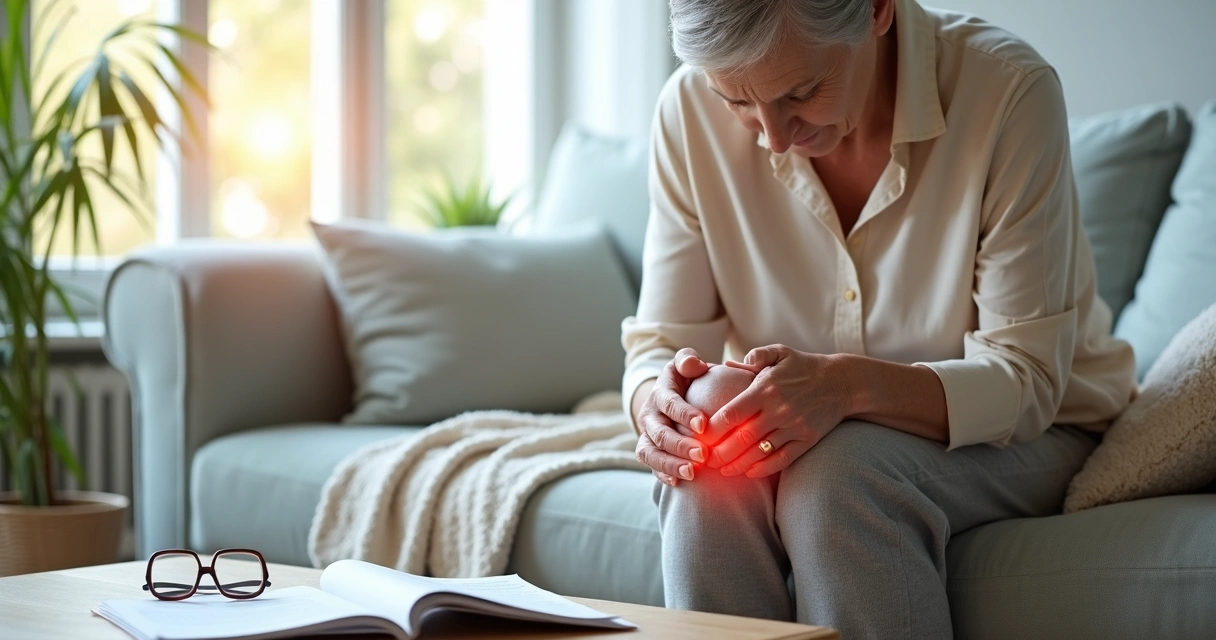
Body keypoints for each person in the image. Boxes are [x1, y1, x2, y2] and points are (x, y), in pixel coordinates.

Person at [620, 0, 1137, 637]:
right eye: (737, 102)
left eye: (802, 92)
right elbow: (662, 343)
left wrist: (848, 387)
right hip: (802, 429)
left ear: (877, 10)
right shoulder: (685, 112)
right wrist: (654, 401)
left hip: (1031, 432)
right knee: (712, 439)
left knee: (839, 474)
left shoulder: (1007, 93)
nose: (774, 138)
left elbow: (1025, 382)